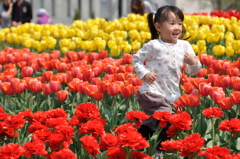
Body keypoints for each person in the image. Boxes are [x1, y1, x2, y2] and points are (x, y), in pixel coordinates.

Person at [132, 5, 201, 159]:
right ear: (158, 27)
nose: (177, 28)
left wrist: (193, 62)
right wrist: (145, 73)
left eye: (180, 23)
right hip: (151, 92)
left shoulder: (185, 46)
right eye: (172, 23)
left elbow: (192, 71)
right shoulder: (154, 45)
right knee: (170, 121)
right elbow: (136, 59)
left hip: (170, 94)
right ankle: (159, 152)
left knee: (151, 125)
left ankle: (133, 143)